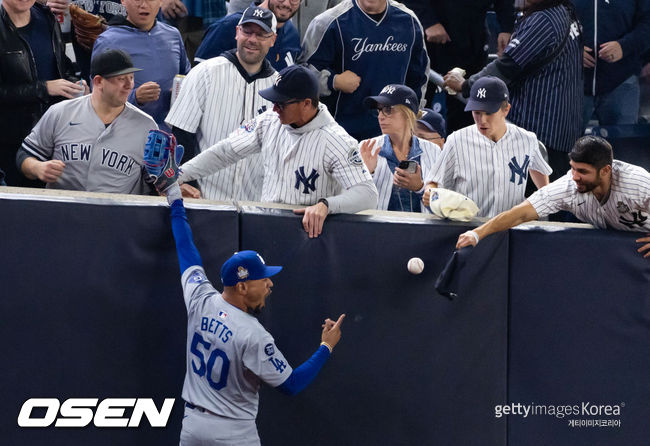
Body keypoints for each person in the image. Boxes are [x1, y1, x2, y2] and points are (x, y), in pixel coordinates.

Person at [143, 137, 345, 445]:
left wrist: (174, 196)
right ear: (241, 286)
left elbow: (187, 250)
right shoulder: (254, 335)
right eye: (262, 279)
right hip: (232, 433)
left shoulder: (200, 298)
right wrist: (325, 347)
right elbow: (291, 385)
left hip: (194, 426)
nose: (270, 284)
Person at [177, 65, 378, 238]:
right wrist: (179, 176)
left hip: (311, 234)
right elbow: (226, 151)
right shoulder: (269, 121)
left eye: (281, 103)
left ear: (307, 103)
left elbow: (367, 194)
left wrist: (326, 205)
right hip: (266, 224)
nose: (274, 108)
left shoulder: (336, 140)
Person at [444, 0, 583, 181]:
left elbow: (506, 67)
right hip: (560, 128)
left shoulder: (543, 20)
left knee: (532, 202)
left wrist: (466, 85)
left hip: (540, 132)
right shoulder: (564, 9)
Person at [457, 135, 650, 258]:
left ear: (606, 170)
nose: (575, 176)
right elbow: (521, 213)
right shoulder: (568, 187)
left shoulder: (636, 182)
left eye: (582, 171)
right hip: (619, 256)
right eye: (572, 168)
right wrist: (477, 233)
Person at [165, 6, 278, 201]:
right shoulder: (205, 72)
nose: (252, 39)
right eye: (247, 31)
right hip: (204, 196)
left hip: (256, 201)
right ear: (237, 32)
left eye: (261, 34)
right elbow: (181, 135)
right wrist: (187, 183)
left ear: (272, 40)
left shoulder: (279, 87)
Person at [17, 50, 157, 194]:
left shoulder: (147, 126)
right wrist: (37, 168)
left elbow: (158, 182)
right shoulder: (61, 112)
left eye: (131, 77)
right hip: (63, 211)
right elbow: (24, 155)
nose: (129, 85)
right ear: (98, 81)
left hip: (118, 213)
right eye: (121, 79)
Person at [299, 0, 430, 141]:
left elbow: (419, 74)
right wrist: (333, 81)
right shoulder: (328, 22)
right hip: (340, 133)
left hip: (392, 133)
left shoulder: (409, 21)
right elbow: (302, 76)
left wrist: (413, 115)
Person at [424, 77, 552, 218]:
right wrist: (430, 194)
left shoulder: (527, 139)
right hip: (467, 229)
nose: (482, 120)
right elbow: (433, 183)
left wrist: (541, 202)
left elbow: (543, 183)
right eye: (477, 112)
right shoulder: (457, 140)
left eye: (489, 113)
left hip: (510, 230)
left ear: (506, 110)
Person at [0, 0, 83, 187]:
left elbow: (61, 66)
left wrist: (73, 84)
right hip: (9, 140)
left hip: (53, 136)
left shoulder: (46, 17)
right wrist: (43, 88)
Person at [401, 0, 515, 133]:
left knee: (465, 109)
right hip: (428, 37)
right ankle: (410, 150)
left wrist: (506, 27)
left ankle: (459, 152)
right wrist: (429, 22)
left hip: (471, 36)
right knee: (415, 105)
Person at [92, 0, 191, 132]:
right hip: (125, 133)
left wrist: (183, 90)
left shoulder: (173, 34)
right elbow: (98, 95)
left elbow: (187, 75)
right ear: (123, 1)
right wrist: (135, 97)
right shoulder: (108, 41)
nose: (143, 5)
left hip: (170, 135)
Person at [359, 84, 441, 213]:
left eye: (388, 110)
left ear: (407, 113)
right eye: (379, 110)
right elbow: (353, 204)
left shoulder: (434, 151)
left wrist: (419, 188)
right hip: (378, 231)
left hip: (424, 232)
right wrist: (367, 174)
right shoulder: (366, 148)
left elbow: (444, 206)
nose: (380, 116)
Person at [574, 0, 650, 127]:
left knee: (623, 145)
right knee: (567, 145)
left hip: (622, 81)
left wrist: (624, 46)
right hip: (573, 82)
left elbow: (647, 23)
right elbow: (549, 18)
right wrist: (571, 49)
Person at [194, 0, 301, 71]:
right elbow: (199, 74)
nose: (287, 3)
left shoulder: (292, 34)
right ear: (238, 31)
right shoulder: (227, 26)